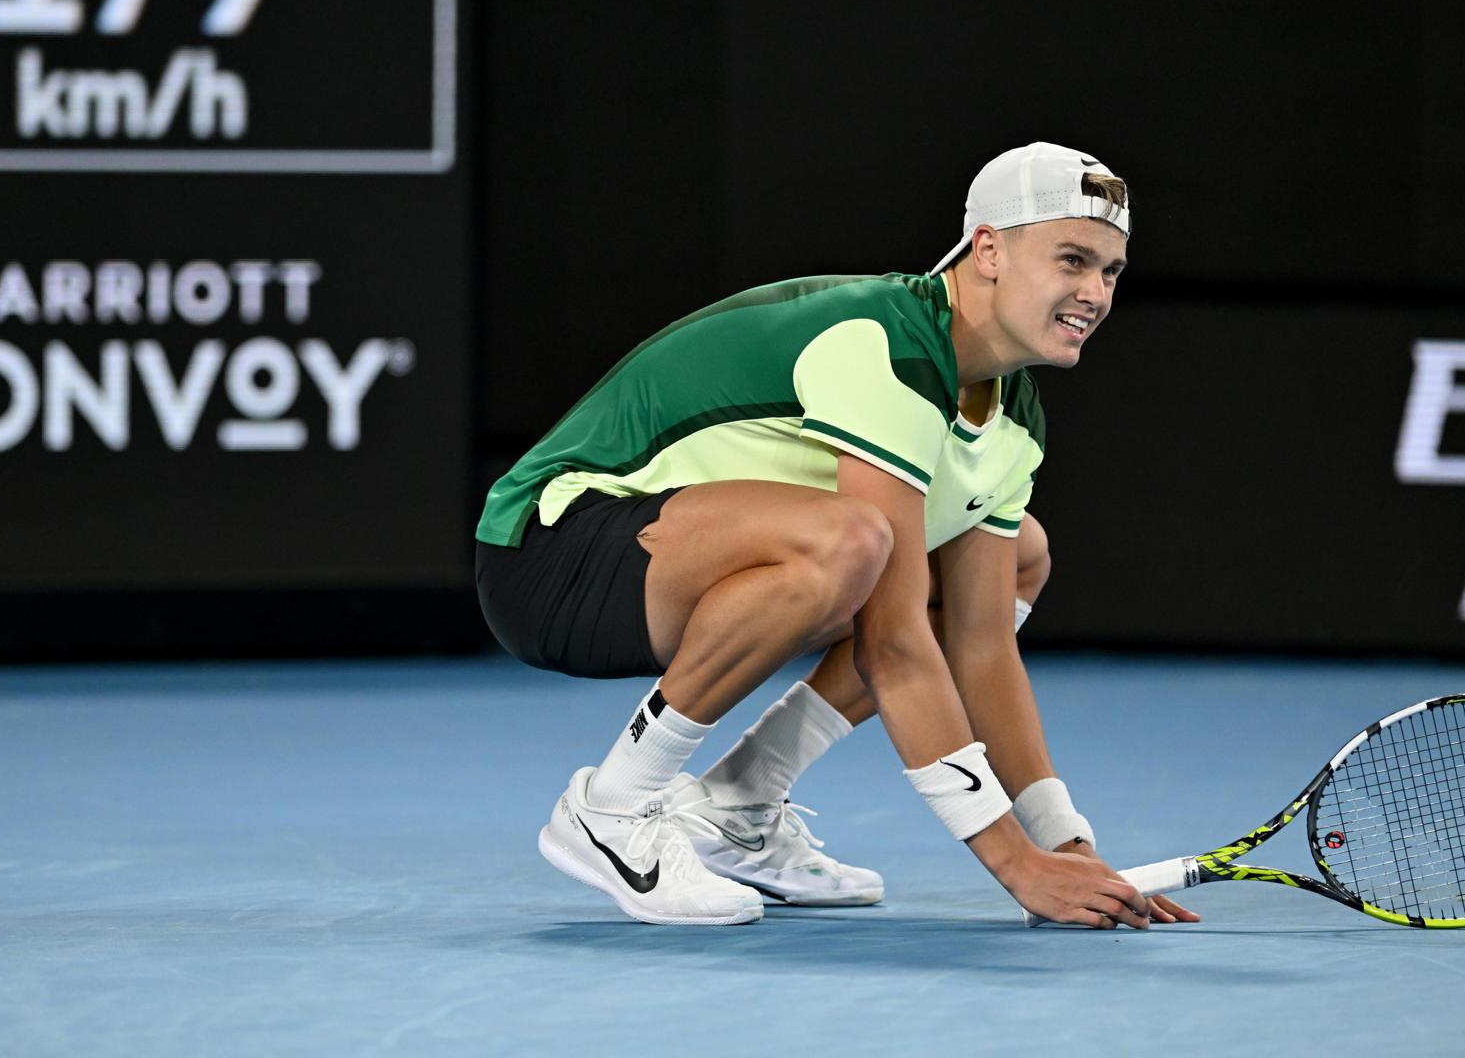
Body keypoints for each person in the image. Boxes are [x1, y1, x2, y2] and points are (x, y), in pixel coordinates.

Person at [475, 141, 1198, 929]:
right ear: (988, 250)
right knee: (853, 541)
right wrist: (1014, 865)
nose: (1094, 292)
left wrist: (1066, 844)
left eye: (1111, 272)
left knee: (1018, 553)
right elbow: (892, 645)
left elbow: (983, 648)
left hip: (674, 565)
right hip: (548, 556)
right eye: (1072, 260)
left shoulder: (1015, 415)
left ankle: (738, 803)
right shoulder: (884, 345)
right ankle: (611, 808)